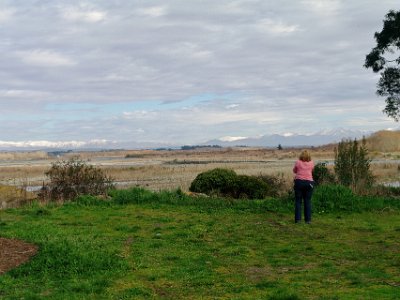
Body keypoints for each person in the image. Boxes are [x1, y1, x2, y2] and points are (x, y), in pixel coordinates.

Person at [293, 150, 315, 224]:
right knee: (307, 201)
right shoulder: (311, 163)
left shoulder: (298, 162)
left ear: (301, 155)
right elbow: (312, 170)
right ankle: (308, 220)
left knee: (298, 201)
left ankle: (298, 220)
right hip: (309, 183)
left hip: (299, 182)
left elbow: (294, 171)